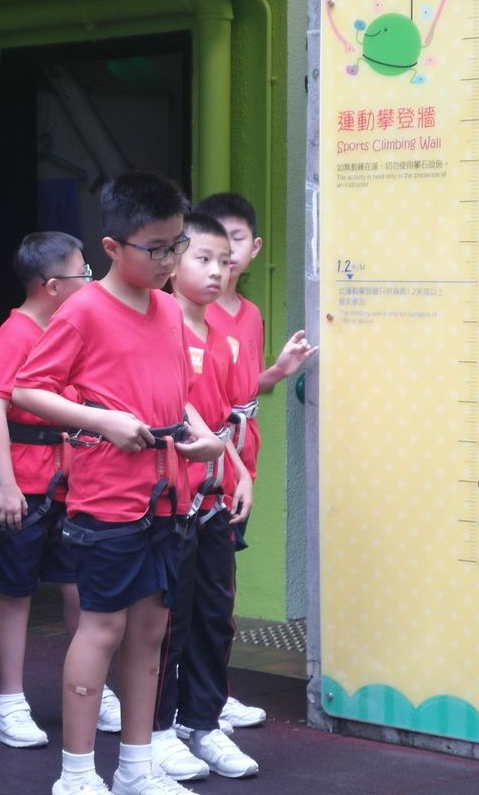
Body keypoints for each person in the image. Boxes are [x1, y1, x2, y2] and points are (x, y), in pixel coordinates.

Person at [15, 172, 224, 795]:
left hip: (169, 496)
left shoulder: (169, 309)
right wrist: (102, 420)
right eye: (155, 248)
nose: (169, 260)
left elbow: (180, 398)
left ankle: (136, 767)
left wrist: (207, 438)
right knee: (102, 629)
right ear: (111, 247)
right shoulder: (84, 310)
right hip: (107, 499)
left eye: (176, 245)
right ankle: (77, 775)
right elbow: (27, 390)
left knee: (152, 631)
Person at [0, 232, 121, 748]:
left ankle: (93, 689)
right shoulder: (14, 335)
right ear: (52, 285)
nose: (92, 281)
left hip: (68, 481)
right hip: (19, 482)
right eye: (85, 273)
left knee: (78, 587)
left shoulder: (69, 330)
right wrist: (6, 486)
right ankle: (9, 702)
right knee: (15, 591)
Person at [197, 192, 317, 733]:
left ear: (254, 248)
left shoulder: (249, 314)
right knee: (197, 592)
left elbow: (243, 391)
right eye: (211, 247)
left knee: (222, 586)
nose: (222, 258)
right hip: (205, 465)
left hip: (241, 463)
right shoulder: (187, 311)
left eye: (235, 242)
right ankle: (190, 700)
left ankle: (211, 694)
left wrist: (279, 371)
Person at [148, 212, 258, 782]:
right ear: (172, 264)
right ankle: (157, 731)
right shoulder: (159, 326)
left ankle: (202, 722)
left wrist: (240, 473)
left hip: (214, 499)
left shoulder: (221, 335)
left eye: (224, 260)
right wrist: (225, 460)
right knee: (170, 620)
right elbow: (181, 411)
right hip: (171, 500)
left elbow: (221, 422)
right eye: (203, 259)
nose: (218, 270)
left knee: (216, 614)